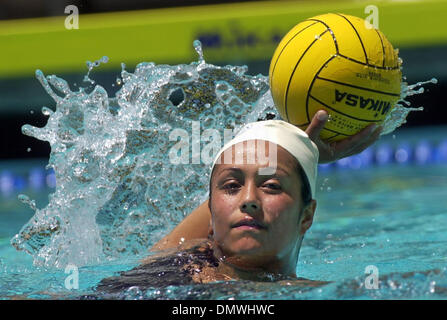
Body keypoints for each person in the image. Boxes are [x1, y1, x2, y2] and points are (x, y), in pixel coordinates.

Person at [93, 110, 382, 295]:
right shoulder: (165, 272)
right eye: (232, 186)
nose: (248, 200)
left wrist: (302, 156)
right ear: (210, 213)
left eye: (271, 186)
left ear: (307, 216)